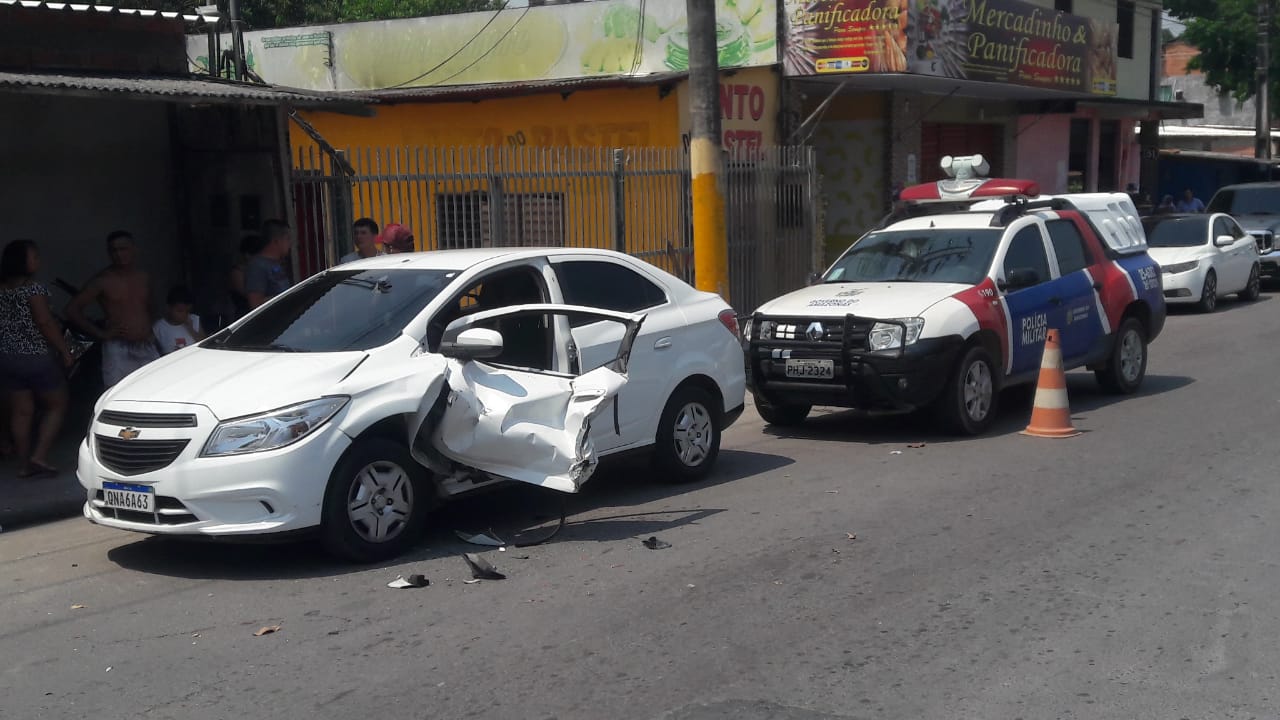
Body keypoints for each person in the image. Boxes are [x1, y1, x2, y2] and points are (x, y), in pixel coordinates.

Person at [1, 240, 73, 478]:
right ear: (22, 262)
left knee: (21, 412)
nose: (38, 261)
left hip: (8, 358)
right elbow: (45, 323)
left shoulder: (2, 289)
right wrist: (64, 351)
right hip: (36, 357)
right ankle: (39, 455)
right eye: (34, 257)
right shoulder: (34, 289)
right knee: (57, 404)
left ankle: (24, 465)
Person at [66, 230, 158, 389]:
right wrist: (101, 334)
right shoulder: (103, 280)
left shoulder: (144, 276)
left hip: (146, 344)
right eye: (114, 250)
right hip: (118, 347)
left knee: (155, 388)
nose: (119, 254)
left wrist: (152, 330)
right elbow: (72, 310)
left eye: (123, 249)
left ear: (134, 249)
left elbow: (151, 306)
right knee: (116, 393)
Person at [246, 220, 293, 309]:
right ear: (276, 241)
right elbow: (255, 304)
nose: (290, 244)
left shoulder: (276, 263)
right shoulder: (257, 266)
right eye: (287, 239)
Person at [153, 285, 206, 355]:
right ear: (168, 308)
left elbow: (205, 344)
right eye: (180, 311)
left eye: (187, 311)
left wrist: (191, 329)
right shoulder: (159, 327)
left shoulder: (194, 320)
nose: (184, 315)